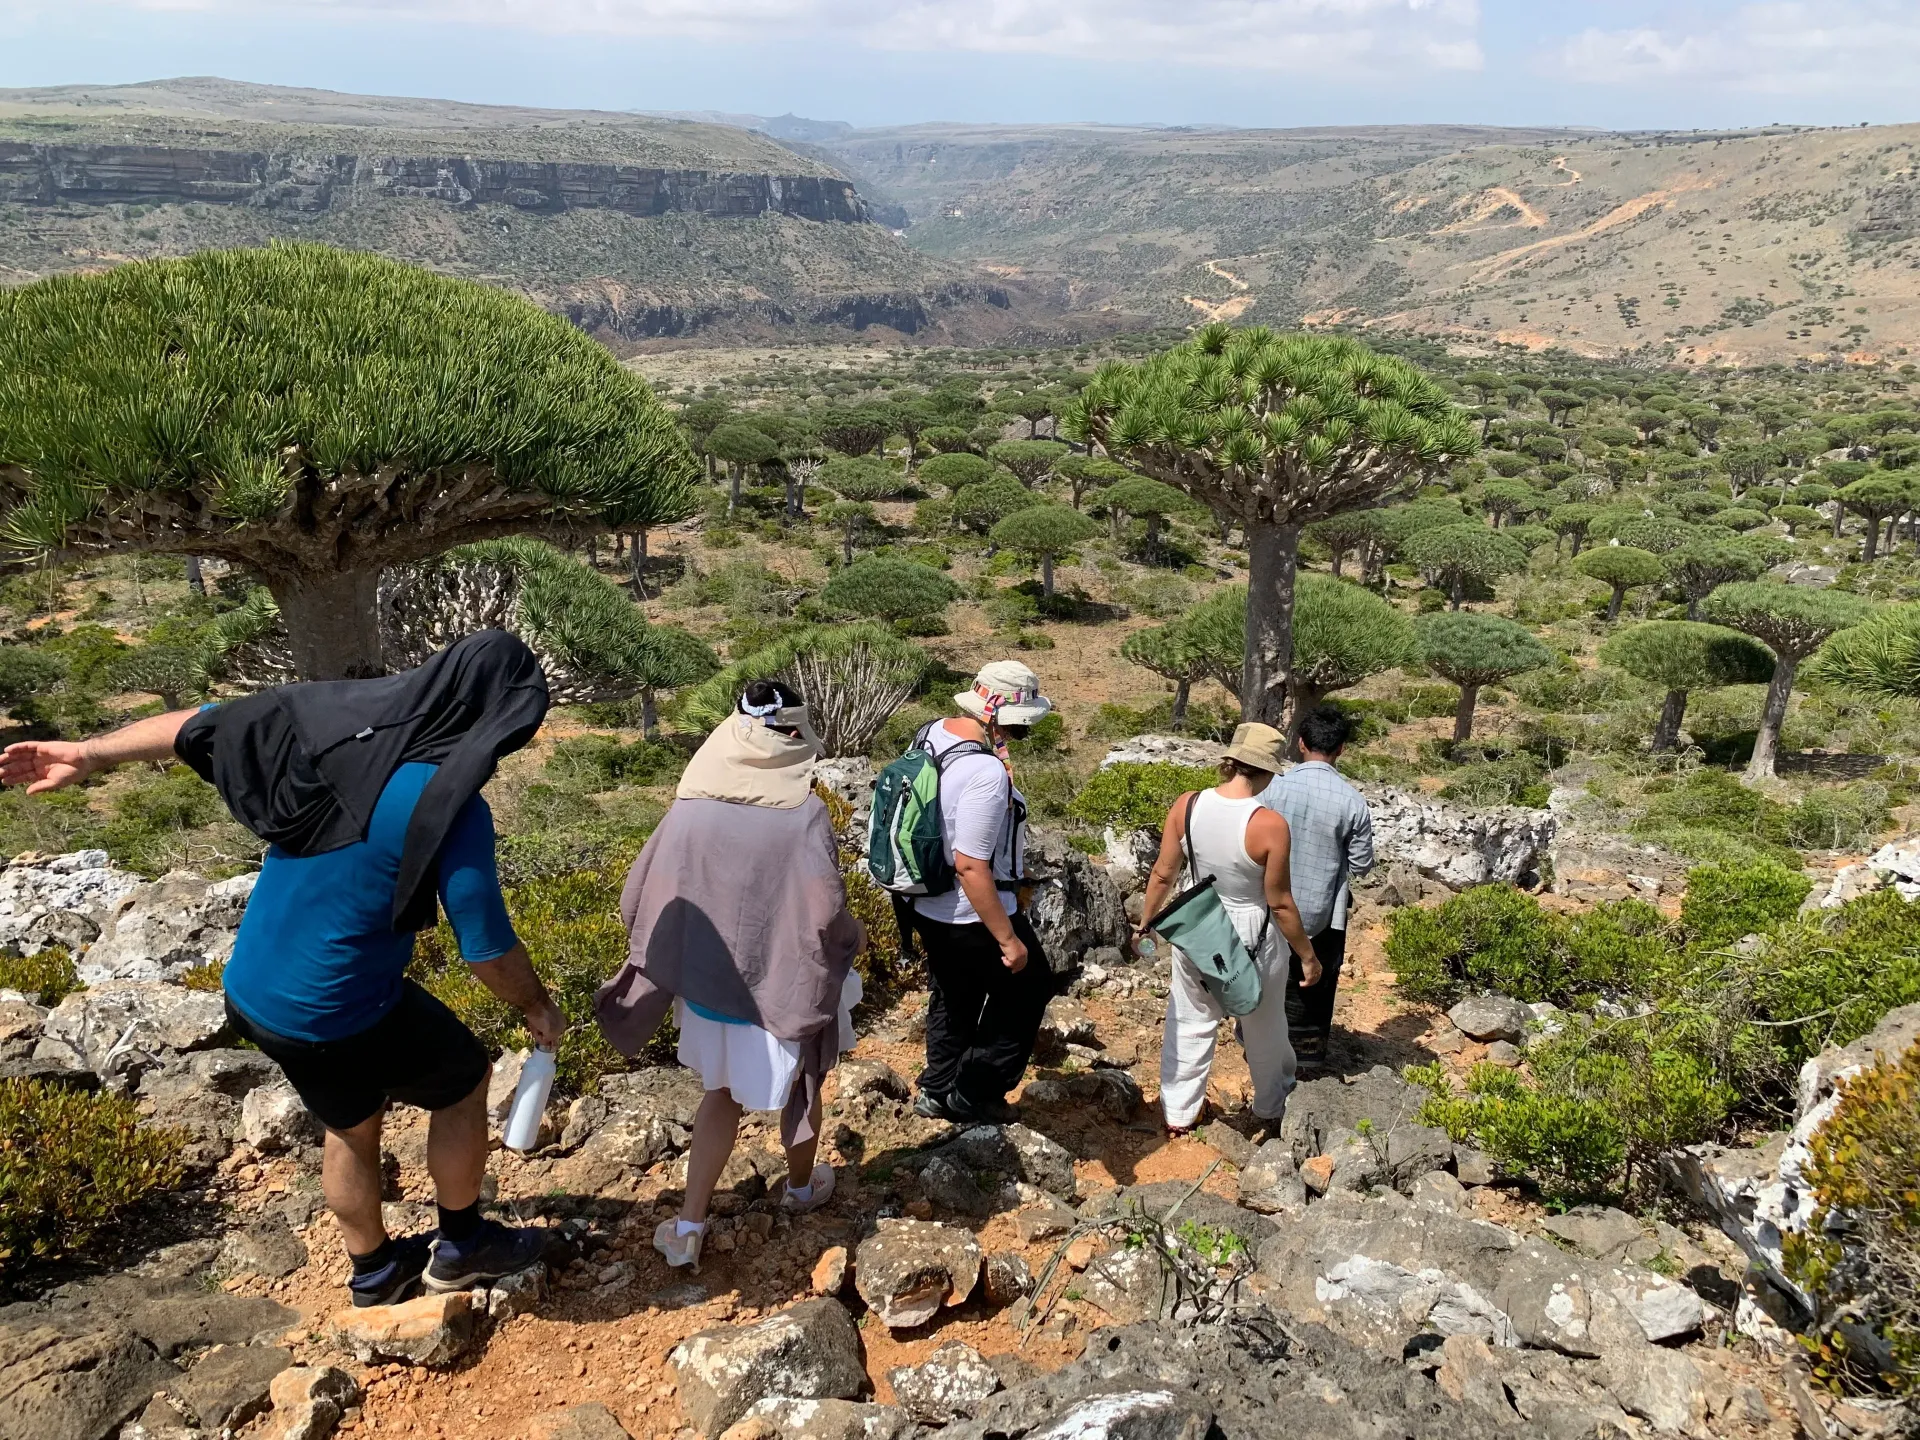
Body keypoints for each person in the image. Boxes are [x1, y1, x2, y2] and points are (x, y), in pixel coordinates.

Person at [0, 631, 562, 1307]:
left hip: (257, 989)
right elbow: (486, 949)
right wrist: (535, 1006)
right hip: (339, 1007)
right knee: (464, 1079)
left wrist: (85, 754)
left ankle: (377, 1275)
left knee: (351, 1126)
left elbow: (194, 725)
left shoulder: (323, 728)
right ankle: (466, 1246)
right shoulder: (452, 807)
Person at [595, 681, 865, 1272]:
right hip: (780, 981)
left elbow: (639, 894)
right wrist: (850, 942)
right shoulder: (804, 813)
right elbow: (823, 912)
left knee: (717, 1096)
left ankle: (690, 1221)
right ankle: (799, 1188)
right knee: (803, 1083)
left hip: (711, 988)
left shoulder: (690, 804)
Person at [1137, 722, 1320, 1136]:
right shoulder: (1269, 825)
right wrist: (1307, 956)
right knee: (1264, 1023)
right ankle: (1272, 1106)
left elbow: (1164, 872)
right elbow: (1279, 902)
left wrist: (1147, 922)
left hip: (1198, 925)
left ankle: (1179, 1114)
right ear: (1267, 770)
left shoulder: (1188, 805)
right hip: (1253, 931)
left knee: (1189, 1018)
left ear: (1232, 762)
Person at [907, 660, 1054, 1127]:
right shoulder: (985, 772)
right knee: (1029, 987)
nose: (1024, 732)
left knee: (955, 993)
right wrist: (1008, 938)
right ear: (999, 715)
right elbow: (971, 865)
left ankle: (936, 1088)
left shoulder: (931, 735)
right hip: (972, 911)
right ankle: (974, 1092)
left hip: (926, 900)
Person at [1260, 704, 1374, 1075]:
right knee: (1314, 984)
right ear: (1341, 748)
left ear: (1300, 743)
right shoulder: (1352, 801)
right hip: (1324, 913)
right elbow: (1361, 865)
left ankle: (1257, 1046)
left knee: (1268, 976)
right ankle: (1305, 1060)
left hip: (1269, 907)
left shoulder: (1274, 787)